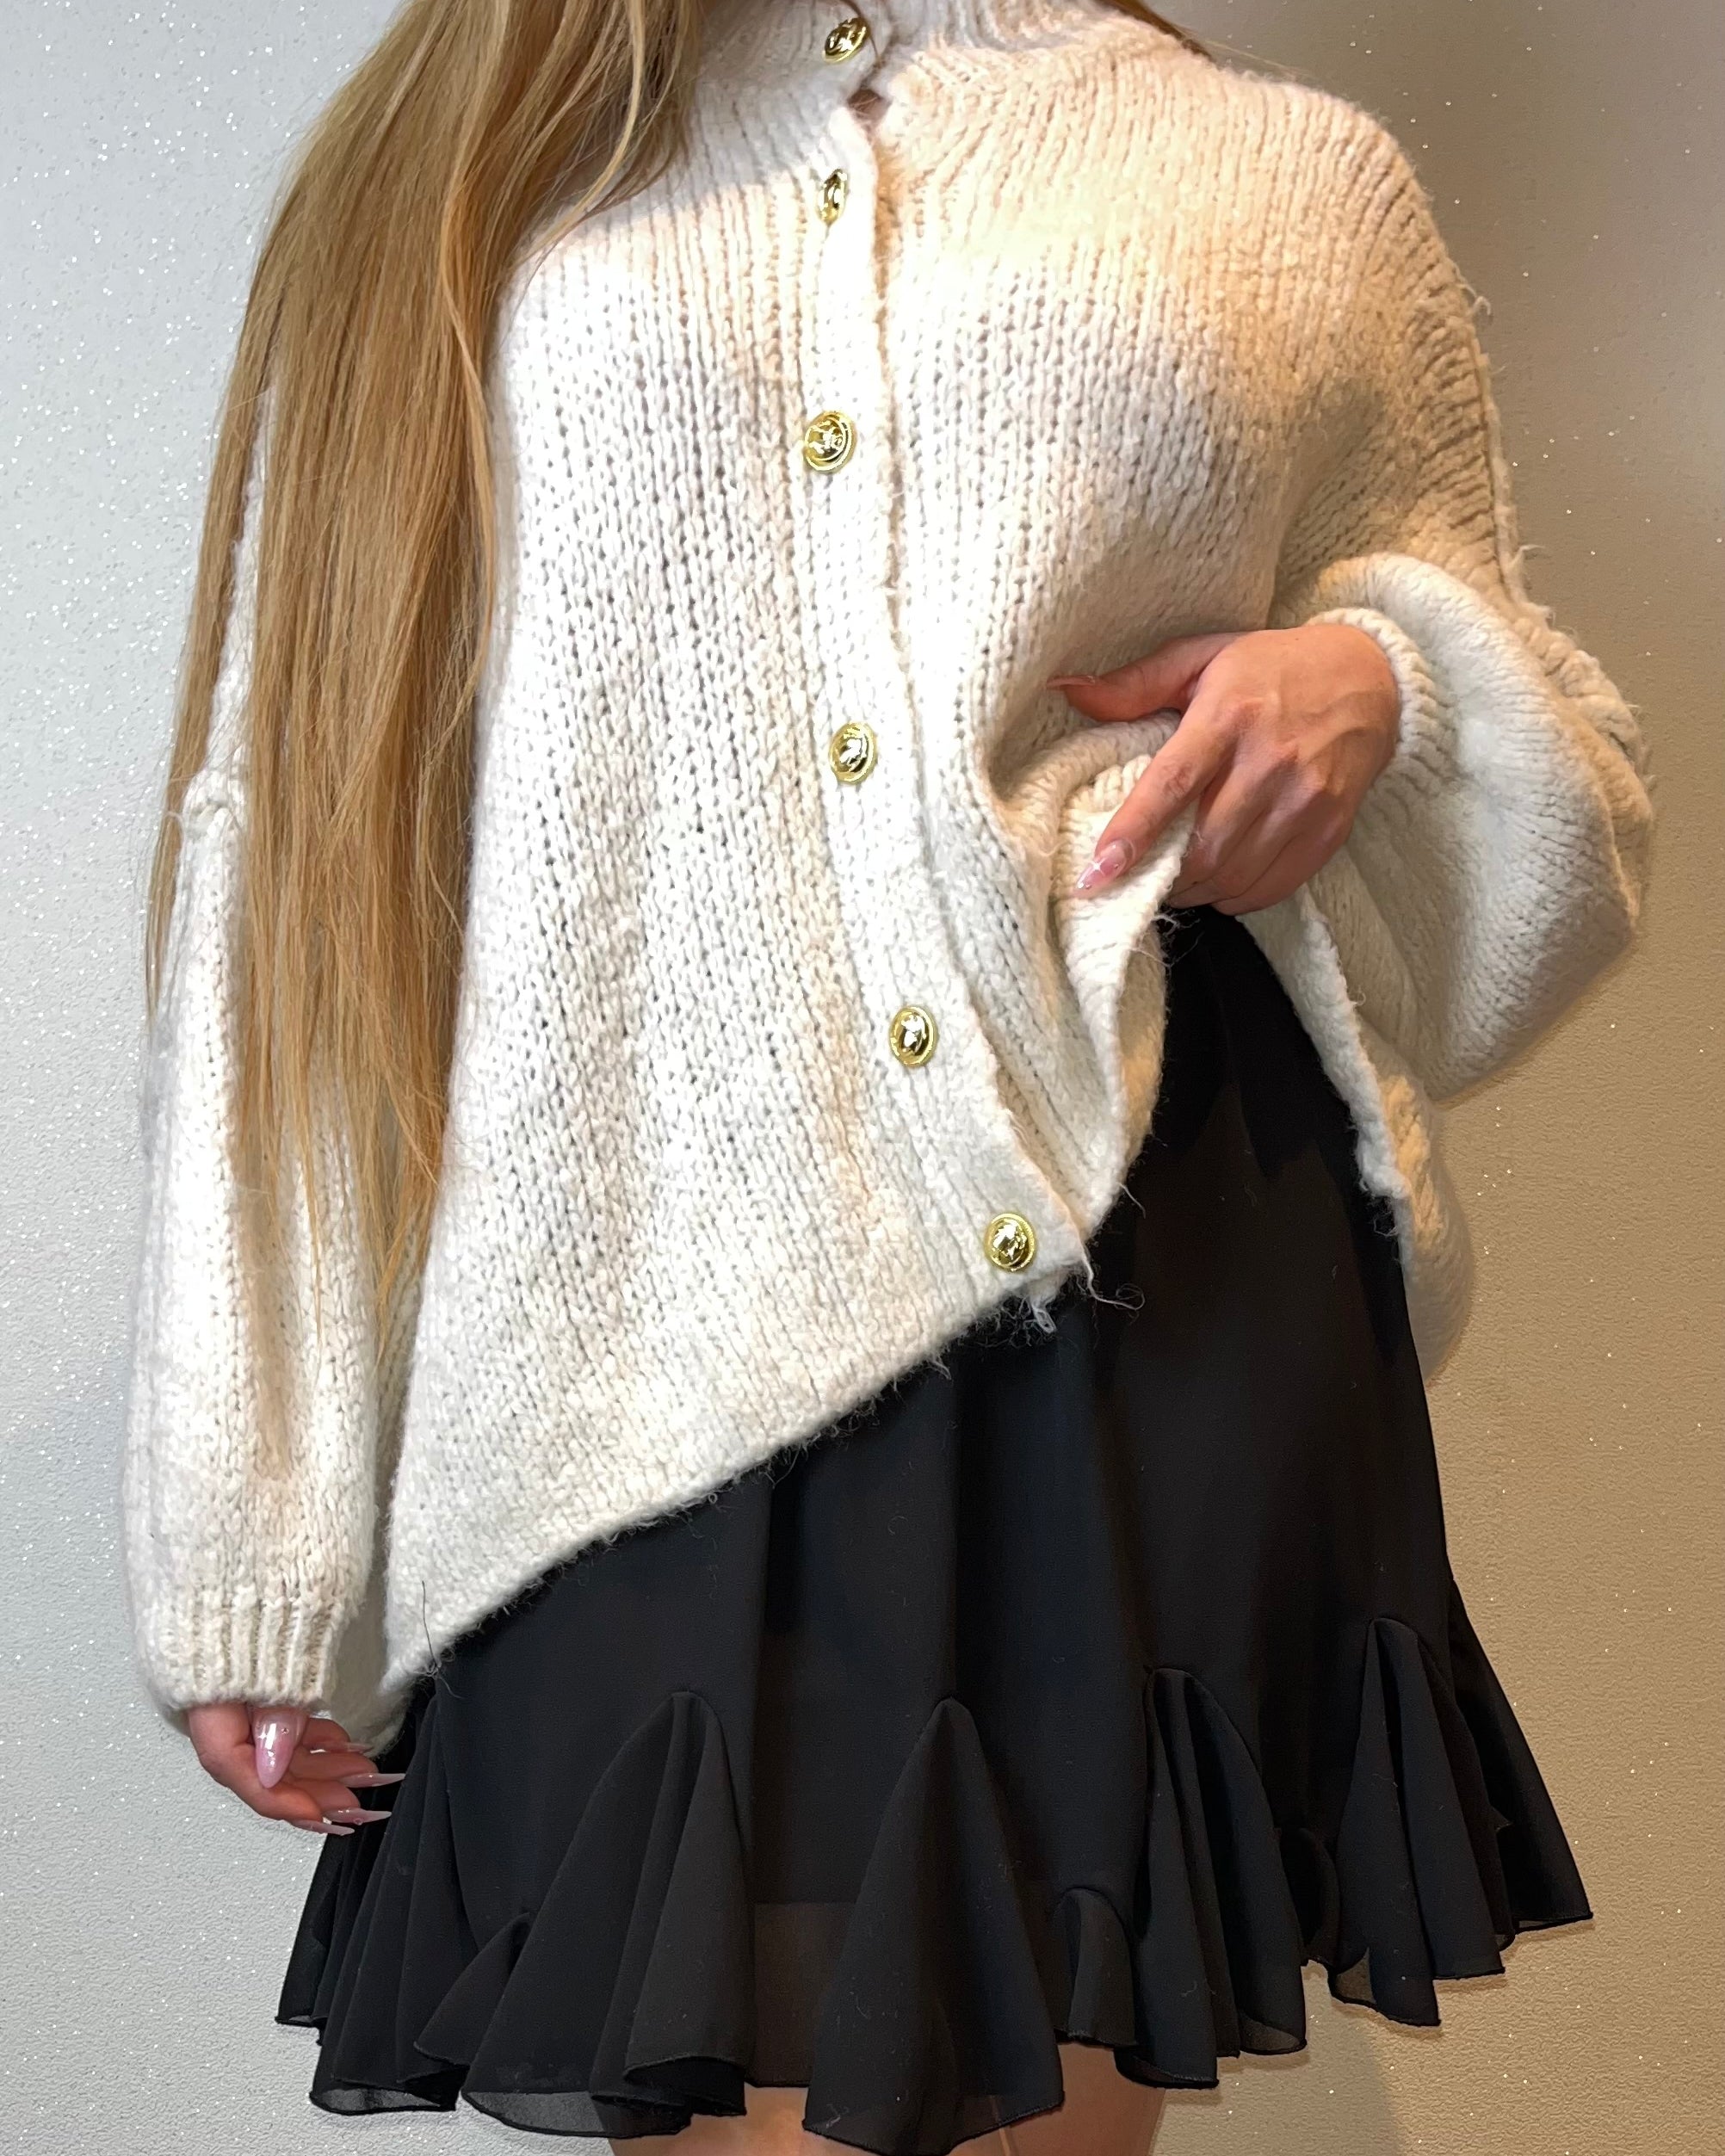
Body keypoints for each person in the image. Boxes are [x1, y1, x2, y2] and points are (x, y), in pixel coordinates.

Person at [119, 0, 1655, 2150]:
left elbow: (1568, 812)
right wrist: (255, 1515)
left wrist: (1382, 677)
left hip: (1129, 1297)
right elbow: (288, 857)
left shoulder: (1294, 179)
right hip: (624, 1340)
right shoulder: (487, 157)